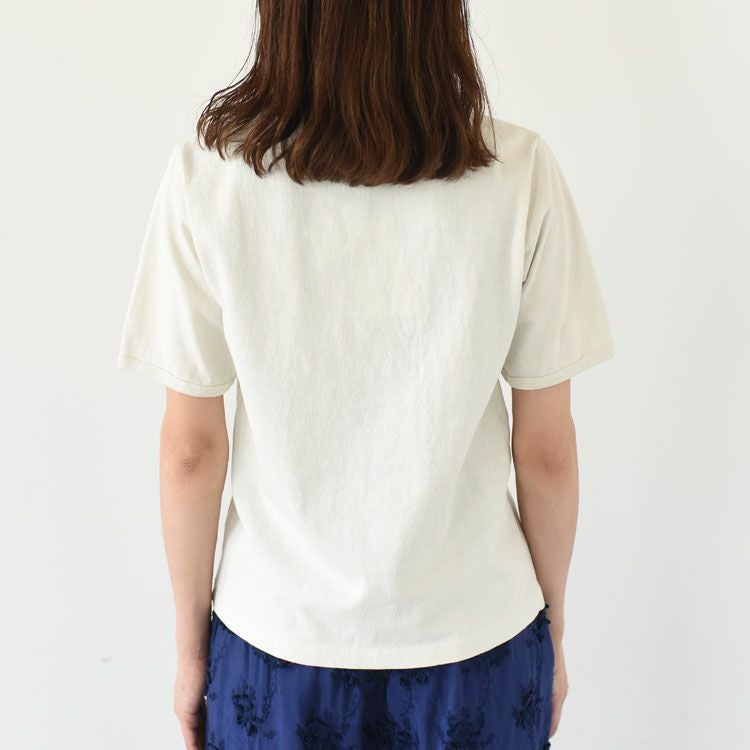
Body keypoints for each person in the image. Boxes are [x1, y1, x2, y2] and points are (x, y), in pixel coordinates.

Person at [116, 1, 615, 748]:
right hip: (478, 640)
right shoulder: (519, 173)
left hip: (275, 647)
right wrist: (554, 626)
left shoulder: (210, 177)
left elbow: (190, 451)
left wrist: (190, 653)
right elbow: (545, 452)